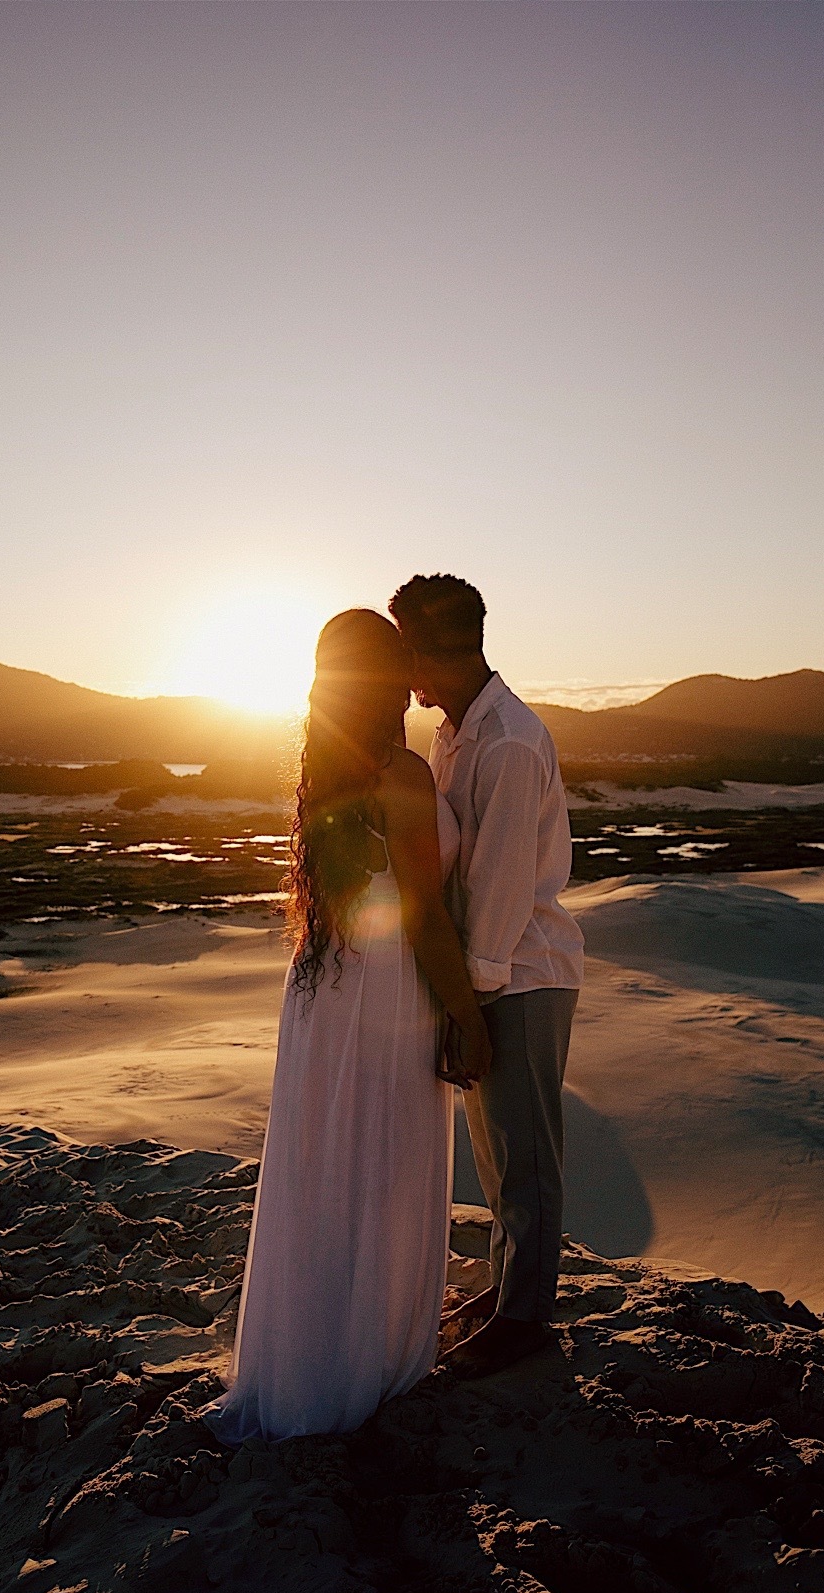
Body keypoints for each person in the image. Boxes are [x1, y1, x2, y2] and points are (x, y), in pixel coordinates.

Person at [203, 609, 490, 1443]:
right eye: (397, 663)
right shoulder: (399, 773)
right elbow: (424, 916)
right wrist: (466, 1015)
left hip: (325, 988)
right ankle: (360, 1362)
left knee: (325, 1168)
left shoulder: (327, 765)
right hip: (382, 993)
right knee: (378, 1165)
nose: (409, 679)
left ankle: (311, 1358)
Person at [389, 574, 584, 1377]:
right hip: (488, 971)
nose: (401, 674)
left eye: (405, 653)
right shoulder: (455, 732)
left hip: (520, 972)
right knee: (498, 1154)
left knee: (525, 1153)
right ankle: (509, 1292)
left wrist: (468, 1003)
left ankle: (525, 1318)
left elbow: (499, 886)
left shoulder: (504, 741)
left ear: (432, 649)